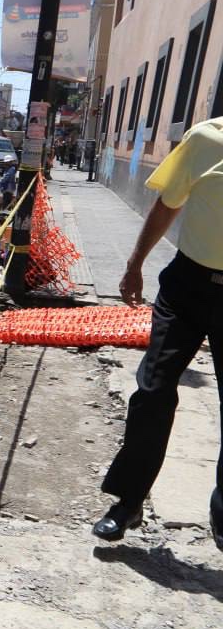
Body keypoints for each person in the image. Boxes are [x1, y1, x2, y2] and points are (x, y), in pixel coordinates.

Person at [92, 116, 223, 546]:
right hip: (188, 285)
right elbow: (168, 204)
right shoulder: (205, 138)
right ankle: (128, 502)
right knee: (153, 389)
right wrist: (134, 264)